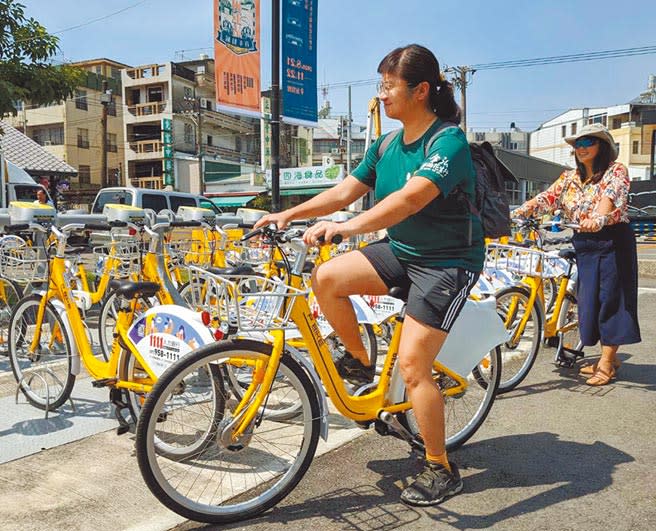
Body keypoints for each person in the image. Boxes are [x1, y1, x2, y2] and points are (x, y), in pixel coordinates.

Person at [255, 44, 484, 506]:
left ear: (421, 90)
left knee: (414, 367)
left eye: (388, 87)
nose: (381, 96)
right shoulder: (385, 145)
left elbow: (409, 200)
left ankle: (440, 466)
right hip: (402, 249)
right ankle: (359, 360)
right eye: (379, 86)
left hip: (447, 262)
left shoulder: (448, 142)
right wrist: (288, 214)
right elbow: (344, 191)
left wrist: (345, 229)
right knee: (327, 280)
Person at [512, 123, 640, 386]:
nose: (581, 149)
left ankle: (606, 362)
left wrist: (599, 216)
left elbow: (612, 196)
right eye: (577, 145)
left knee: (611, 300)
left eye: (587, 143)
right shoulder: (569, 178)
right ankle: (609, 356)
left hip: (612, 241)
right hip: (585, 245)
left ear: (601, 146)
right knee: (589, 301)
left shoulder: (615, 171)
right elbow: (546, 199)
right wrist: (518, 213)